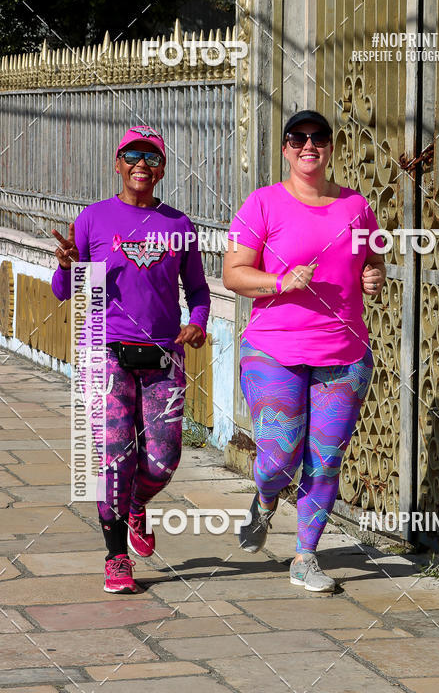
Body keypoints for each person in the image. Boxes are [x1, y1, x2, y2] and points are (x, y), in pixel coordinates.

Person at [223, 109, 386, 592]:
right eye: (298, 138)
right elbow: (233, 273)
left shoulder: (356, 206)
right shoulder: (262, 203)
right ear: (286, 149)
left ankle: (305, 556)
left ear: (331, 147)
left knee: (325, 459)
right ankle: (265, 500)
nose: (308, 146)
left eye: (318, 138)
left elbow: (373, 258)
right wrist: (280, 282)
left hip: (344, 353)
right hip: (273, 348)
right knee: (277, 458)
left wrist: (373, 276)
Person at [51, 126, 210, 593]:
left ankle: (136, 504)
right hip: (105, 350)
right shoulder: (93, 219)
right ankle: (116, 556)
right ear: (117, 164)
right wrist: (67, 267)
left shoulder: (179, 225)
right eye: (133, 155)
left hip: (164, 354)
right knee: (114, 456)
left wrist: (198, 323)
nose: (142, 163)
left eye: (152, 157)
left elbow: (199, 290)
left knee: (163, 459)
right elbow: (65, 292)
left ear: (162, 169)